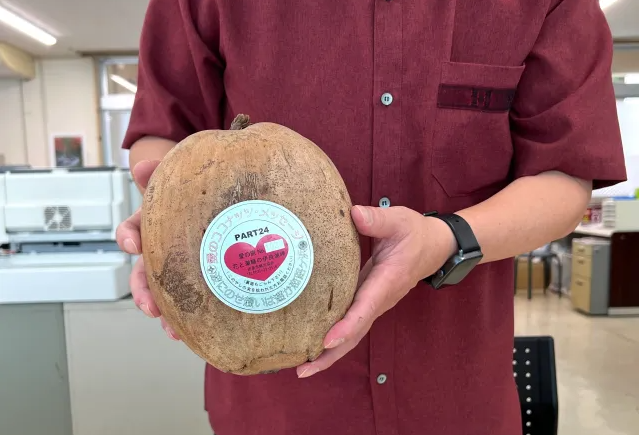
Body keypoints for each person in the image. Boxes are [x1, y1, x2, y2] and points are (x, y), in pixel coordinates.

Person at [116, 0, 627, 434]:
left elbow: (565, 177)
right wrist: (166, 216)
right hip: (273, 404)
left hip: (454, 397)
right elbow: (165, 131)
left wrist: (445, 240)